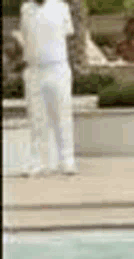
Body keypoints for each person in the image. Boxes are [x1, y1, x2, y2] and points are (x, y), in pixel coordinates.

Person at [20, 0, 77, 177]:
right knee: (36, 118)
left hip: (57, 67)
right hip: (34, 69)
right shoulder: (26, 9)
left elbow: (69, 35)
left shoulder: (61, 7)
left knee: (62, 115)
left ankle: (67, 160)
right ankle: (37, 162)